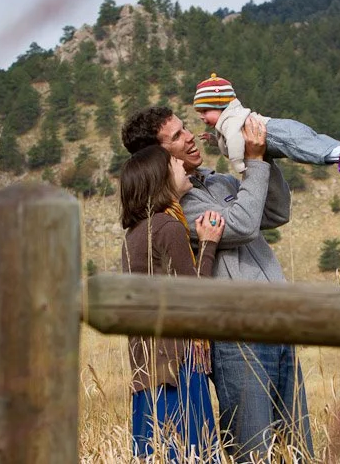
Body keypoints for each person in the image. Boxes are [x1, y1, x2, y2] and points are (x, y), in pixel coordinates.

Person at [121, 106, 314, 462]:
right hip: (238, 337)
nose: (190, 136)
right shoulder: (179, 210)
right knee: (254, 450)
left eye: (185, 128)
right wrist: (254, 165)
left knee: (298, 448)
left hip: (279, 324)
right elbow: (241, 224)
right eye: (176, 136)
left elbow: (275, 213)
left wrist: (259, 160)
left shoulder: (219, 182)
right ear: (158, 156)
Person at [120, 144, 225, 462]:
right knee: (192, 453)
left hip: (148, 371)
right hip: (179, 368)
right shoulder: (168, 228)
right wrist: (207, 245)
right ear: (160, 179)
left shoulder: (135, 234)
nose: (182, 164)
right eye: (174, 163)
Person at [194, 72, 340, 175]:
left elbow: (234, 140)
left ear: (221, 106)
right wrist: (213, 140)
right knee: (313, 140)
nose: (202, 117)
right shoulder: (228, 119)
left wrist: (239, 165)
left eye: (205, 111)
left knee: (301, 149)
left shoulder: (230, 121)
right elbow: (228, 139)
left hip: (274, 134)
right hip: (281, 127)